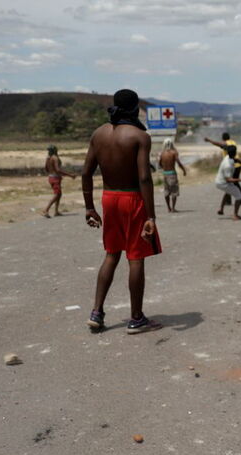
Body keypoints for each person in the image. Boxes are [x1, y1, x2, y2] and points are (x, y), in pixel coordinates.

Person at [81, 89, 162, 334]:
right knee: (135, 258)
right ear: (135, 108)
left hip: (109, 199)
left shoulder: (99, 134)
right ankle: (136, 318)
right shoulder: (139, 136)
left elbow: (86, 173)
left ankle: (97, 312)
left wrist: (89, 207)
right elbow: (144, 177)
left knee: (111, 255)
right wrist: (151, 216)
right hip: (132, 199)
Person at [205, 131, 241, 206]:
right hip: (237, 164)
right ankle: (232, 199)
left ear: (223, 138)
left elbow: (218, 144)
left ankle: (240, 198)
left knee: (231, 183)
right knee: (233, 183)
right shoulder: (233, 142)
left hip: (232, 165)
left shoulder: (226, 143)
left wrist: (209, 140)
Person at [215, 144, 241, 219]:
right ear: (235, 153)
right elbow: (228, 179)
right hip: (223, 183)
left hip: (219, 180)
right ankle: (235, 215)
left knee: (228, 192)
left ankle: (221, 209)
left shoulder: (227, 157)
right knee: (239, 197)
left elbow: (235, 159)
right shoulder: (228, 165)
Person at [42, 145, 75, 218]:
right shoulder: (55, 158)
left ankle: (56, 211)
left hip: (51, 177)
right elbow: (58, 170)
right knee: (57, 194)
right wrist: (70, 175)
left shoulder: (48, 158)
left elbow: (46, 168)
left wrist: (52, 173)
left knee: (59, 194)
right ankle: (46, 210)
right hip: (55, 178)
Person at [157, 137, 187, 213]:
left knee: (166, 191)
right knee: (174, 191)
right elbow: (178, 162)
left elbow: (159, 164)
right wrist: (183, 170)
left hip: (165, 174)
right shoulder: (174, 152)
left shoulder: (162, 153)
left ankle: (168, 208)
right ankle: (173, 208)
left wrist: (164, 166)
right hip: (172, 173)